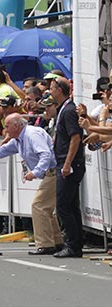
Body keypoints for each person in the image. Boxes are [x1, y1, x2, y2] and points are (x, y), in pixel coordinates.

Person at [0, 113, 63, 254]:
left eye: (7, 126)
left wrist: (36, 172)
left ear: (17, 125)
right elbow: (0, 151)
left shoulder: (32, 135)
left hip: (53, 172)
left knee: (38, 206)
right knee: (45, 208)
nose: (5, 130)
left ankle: (46, 244)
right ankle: (56, 241)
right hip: (50, 173)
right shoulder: (18, 139)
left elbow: (45, 154)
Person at [50, 75, 86, 258]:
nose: (49, 90)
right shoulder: (62, 110)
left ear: (59, 90)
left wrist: (67, 163)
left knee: (63, 205)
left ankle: (73, 245)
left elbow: (76, 137)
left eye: (52, 87)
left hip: (70, 163)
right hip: (65, 161)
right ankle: (75, 243)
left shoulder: (69, 110)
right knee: (71, 205)